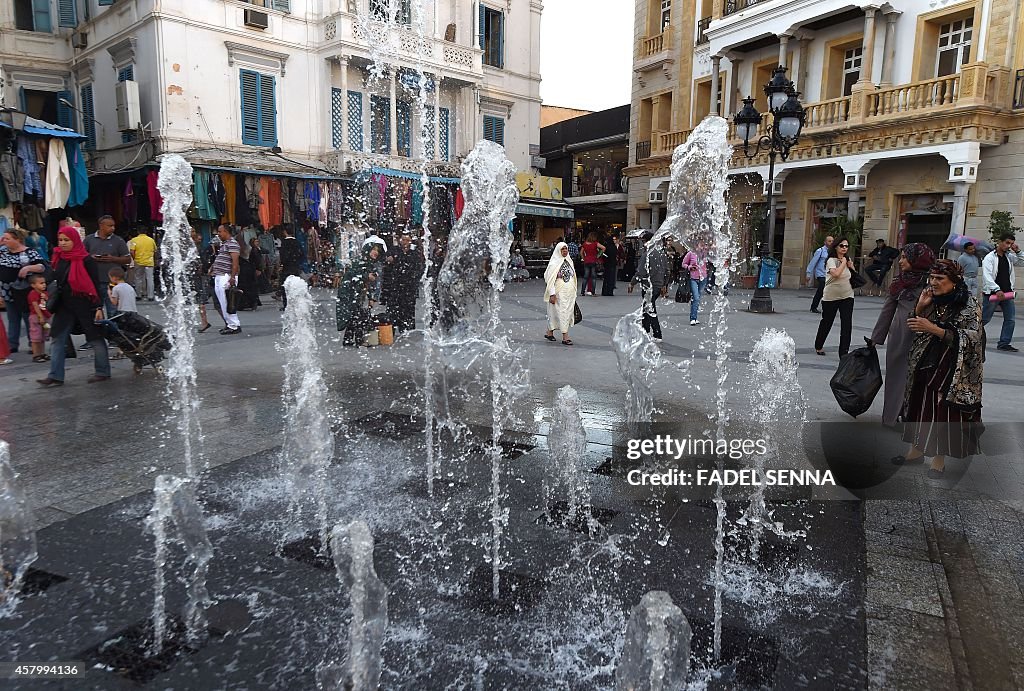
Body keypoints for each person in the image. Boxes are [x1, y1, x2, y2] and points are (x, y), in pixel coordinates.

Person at [894, 259, 984, 478]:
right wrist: (919, 308)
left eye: (940, 279)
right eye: (932, 278)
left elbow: (974, 338)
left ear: (954, 281)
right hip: (925, 361)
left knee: (942, 409)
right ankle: (915, 452)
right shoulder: (932, 300)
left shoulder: (968, 304)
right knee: (919, 404)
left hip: (952, 367)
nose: (933, 283)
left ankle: (938, 459)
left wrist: (935, 329)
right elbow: (915, 325)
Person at [867, 243, 936, 426]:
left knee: (921, 378)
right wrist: (876, 338)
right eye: (902, 257)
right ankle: (891, 416)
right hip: (901, 335)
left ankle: (913, 414)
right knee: (896, 376)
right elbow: (888, 310)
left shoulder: (934, 281)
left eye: (905, 257)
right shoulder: (900, 281)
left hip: (926, 335)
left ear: (917, 260)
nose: (901, 261)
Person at [37, 228, 112, 387]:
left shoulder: (86, 260)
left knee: (95, 339)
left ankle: (102, 371)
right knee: (57, 339)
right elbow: (54, 278)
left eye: (66, 240)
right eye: (60, 240)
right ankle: (55, 375)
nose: (63, 243)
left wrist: (98, 307)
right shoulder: (59, 257)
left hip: (85, 305)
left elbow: (95, 284)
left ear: (75, 241)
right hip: (64, 305)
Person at [0, 227, 48, 354]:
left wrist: (28, 268)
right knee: (12, 318)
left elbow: (42, 266)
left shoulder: (28, 252)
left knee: (28, 318)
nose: (5, 241)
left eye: (7, 238)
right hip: (7, 291)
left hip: (24, 291)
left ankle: (33, 343)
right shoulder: (3, 252)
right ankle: (12, 344)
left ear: (17, 240)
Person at [980, 232, 1024, 352]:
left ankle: (1004, 343)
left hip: (1007, 293)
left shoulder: (1009, 257)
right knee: (985, 318)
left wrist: (1018, 251)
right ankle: (967, 333)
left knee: (1010, 319)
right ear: (1000, 242)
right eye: (1007, 243)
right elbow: (987, 276)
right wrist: (996, 289)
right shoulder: (989, 257)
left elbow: (1022, 262)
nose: (1009, 246)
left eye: (1011, 243)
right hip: (993, 293)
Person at [813, 238, 855, 357]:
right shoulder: (831, 260)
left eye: (846, 246)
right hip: (831, 296)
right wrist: (843, 262)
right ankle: (819, 345)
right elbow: (836, 274)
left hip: (847, 295)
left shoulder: (848, 260)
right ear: (836, 247)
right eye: (842, 245)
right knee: (827, 321)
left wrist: (851, 266)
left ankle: (844, 353)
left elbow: (852, 275)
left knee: (847, 324)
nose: (844, 248)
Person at [83, 215, 131, 318]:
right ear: (101, 226)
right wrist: (91, 258)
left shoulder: (118, 241)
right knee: (94, 311)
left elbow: (128, 259)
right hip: (93, 281)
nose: (113, 228)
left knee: (113, 311)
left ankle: (113, 332)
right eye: (110, 226)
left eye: (113, 226)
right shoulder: (89, 240)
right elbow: (82, 256)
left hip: (112, 283)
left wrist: (113, 259)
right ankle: (99, 332)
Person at [337, 242, 382, 346]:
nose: (375, 252)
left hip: (358, 293)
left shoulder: (370, 264)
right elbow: (354, 275)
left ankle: (348, 340)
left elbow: (370, 283)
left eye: (377, 251)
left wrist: (372, 297)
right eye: (373, 250)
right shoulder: (359, 262)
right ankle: (359, 340)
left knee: (355, 315)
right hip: (350, 292)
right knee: (357, 315)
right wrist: (366, 276)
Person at [385, 231, 424, 334]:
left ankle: (407, 330)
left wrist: (414, 278)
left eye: (407, 240)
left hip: (409, 286)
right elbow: (387, 264)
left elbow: (420, 267)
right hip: (396, 285)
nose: (405, 242)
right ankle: (392, 328)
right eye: (403, 240)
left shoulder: (414, 252)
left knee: (408, 309)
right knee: (393, 308)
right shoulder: (394, 250)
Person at [631, 232, 667, 342]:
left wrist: (632, 283)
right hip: (658, 284)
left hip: (649, 286)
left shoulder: (647, 254)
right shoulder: (661, 253)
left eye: (643, 241)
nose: (642, 243)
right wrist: (664, 284)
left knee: (650, 309)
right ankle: (645, 331)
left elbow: (641, 271)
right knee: (646, 308)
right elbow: (667, 270)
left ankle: (657, 334)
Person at [543, 242, 577, 345]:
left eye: (566, 249)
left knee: (559, 313)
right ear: (558, 250)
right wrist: (552, 294)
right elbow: (550, 279)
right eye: (562, 249)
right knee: (562, 313)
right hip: (558, 293)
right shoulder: (554, 263)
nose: (565, 251)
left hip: (569, 293)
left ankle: (549, 332)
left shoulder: (569, 261)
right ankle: (565, 337)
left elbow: (573, 276)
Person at [210, 224, 242, 335]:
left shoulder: (232, 243)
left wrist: (232, 277)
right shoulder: (225, 244)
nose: (218, 234)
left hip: (226, 276)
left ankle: (234, 325)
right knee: (223, 302)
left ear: (226, 232)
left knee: (227, 301)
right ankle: (229, 324)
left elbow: (235, 262)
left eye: (220, 231)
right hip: (220, 275)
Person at [191, 228, 215, 333]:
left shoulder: (197, 247)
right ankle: (204, 321)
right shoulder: (193, 246)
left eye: (193, 231)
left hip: (197, 276)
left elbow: (202, 261)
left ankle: (204, 321)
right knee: (198, 299)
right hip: (194, 275)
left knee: (201, 299)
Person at [681, 245, 709, 325]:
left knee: (697, 298)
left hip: (703, 278)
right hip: (693, 278)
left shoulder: (705, 253)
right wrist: (690, 267)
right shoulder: (691, 253)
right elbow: (683, 264)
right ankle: (693, 318)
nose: (701, 246)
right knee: (696, 298)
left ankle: (695, 317)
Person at [278, 225, 304, 310]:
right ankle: (295, 304)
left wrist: (282, 264)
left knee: (285, 286)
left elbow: (283, 256)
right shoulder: (297, 242)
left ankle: (287, 304)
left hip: (287, 268)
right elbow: (301, 254)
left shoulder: (284, 243)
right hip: (295, 267)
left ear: (285, 232)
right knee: (295, 286)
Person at [27, 273, 51, 363]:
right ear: (33, 285)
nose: (44, 284)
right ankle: (36, 355)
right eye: (41, 283)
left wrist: (46, 298)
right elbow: (35, 305)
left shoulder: (45, 293)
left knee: (43, 336)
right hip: (36, 317)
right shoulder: (33, 294)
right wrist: (40, 317)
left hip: (46, 316)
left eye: (44, 283)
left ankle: (42, 353)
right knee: (35, 337)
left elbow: (49, 303)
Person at [805, 235, 833, 313]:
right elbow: (813, 263)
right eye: (829, 241)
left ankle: (825, 306)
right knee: (821, 289)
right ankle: (814, 306)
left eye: (832, 241)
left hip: (829, 274)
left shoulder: (833, 252)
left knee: (826, 291)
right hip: (820, 274)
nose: (831, 243)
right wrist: (808, 273)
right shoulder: (820, 251)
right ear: (825, 242)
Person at [128, 227, 157, 301]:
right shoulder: (151, 240)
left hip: (139, 261)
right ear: (146, 232)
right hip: (149, 262)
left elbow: (132, 251)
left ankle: (138, 295)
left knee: (138, 278)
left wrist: (135, 258)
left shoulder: (134, 240)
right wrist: (155, 260)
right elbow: (155, 251)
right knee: (150, 279)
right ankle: (150, 296)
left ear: (138, 232)